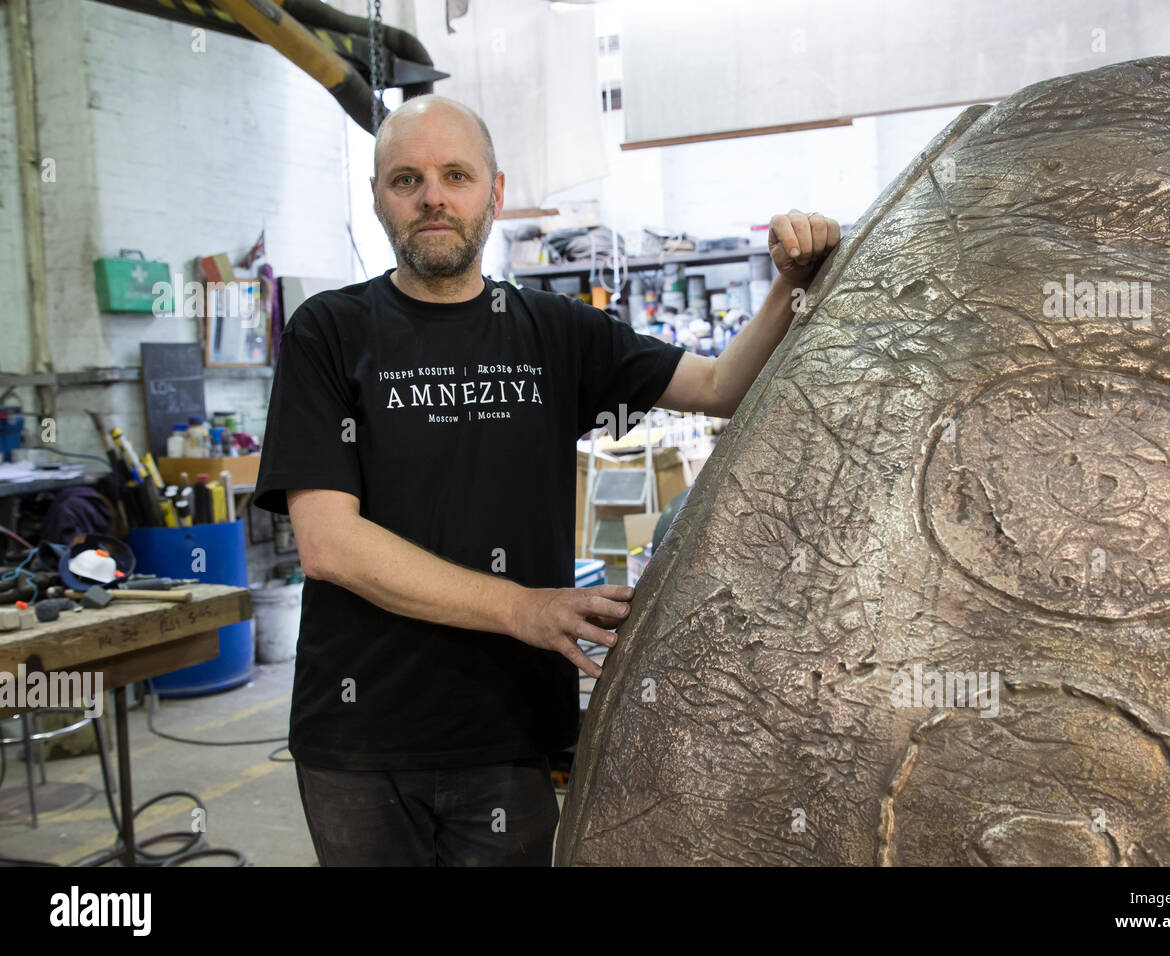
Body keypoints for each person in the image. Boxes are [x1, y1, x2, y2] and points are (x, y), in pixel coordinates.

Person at [252, 94, 840, 866]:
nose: (433, 196)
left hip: (510, 730)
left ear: (494, 193)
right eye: (407, 179)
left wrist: (789, 283)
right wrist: (522, 607)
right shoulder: (328, 331)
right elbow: (329, 545)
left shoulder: (555, 332)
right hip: (361, 738)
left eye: (455, 175)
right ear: (376, 198)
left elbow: (723, 386)